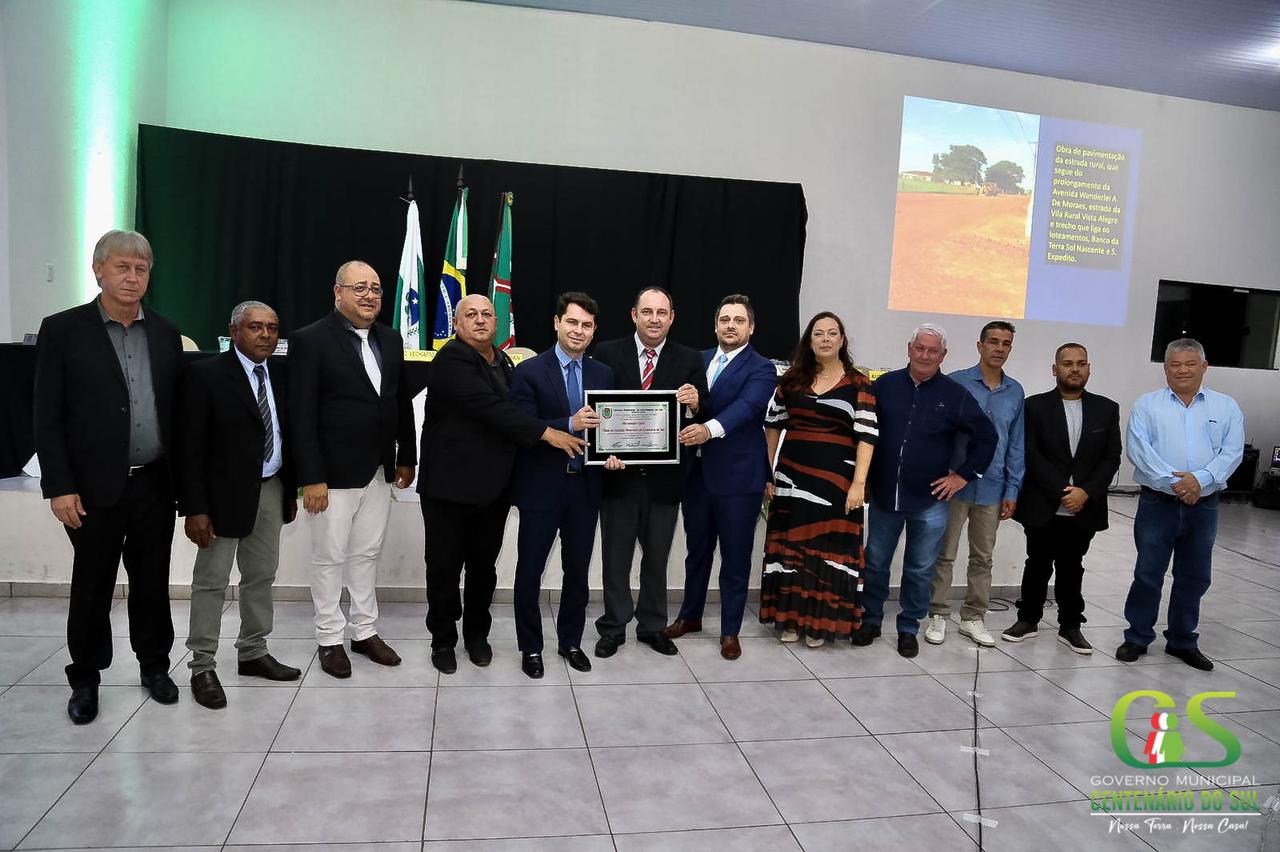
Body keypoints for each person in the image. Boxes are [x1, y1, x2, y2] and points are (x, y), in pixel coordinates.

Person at [34, 229, 183, 724]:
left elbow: (176, 412)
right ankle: (86, 680)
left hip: (154, 484)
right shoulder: (63, 330)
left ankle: (155, 666)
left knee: (151, 582)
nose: (132, 277)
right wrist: (58, 484)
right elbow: (47, 415)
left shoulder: (165, 333)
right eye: (122, 267)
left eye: (141, 269)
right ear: (98, 270)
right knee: (92, 585)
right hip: (91, 489)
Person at [418, 294, 584, 675]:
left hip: (491, 490)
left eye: (487, 314)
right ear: (457, 325)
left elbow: (517, 412)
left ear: (497, 323)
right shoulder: (452, 360)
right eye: (470, 315)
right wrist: (550, 432)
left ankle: (477, 636)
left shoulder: (503, 361)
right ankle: (443, 640)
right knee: (443, 568)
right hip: (449, 489)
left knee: (483, 568)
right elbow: (493, 410)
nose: (480, 320)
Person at [288, 260, 416, 678]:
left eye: (376, 289)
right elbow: (301, 414)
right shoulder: (310, 340)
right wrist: (310, 476)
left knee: (366, 553)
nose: (369, 296)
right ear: (338, 292)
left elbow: (398, 403)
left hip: (378, 471)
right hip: (330, 475)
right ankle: (329, 638)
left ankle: (364, 632)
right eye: (359, 287)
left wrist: (406, 456)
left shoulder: (390, 338)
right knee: (328, 557)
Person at [179, 301, 302, 709]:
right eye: (255, 327)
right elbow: (190, 448)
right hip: (219, 497)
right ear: (234, 332)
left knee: (261, 575)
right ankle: (202, 665)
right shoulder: (206, 375)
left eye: (272, 327)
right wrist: (195, 507)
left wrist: (290, 491)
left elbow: (289, 435)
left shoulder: (282, 375)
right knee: (212, 581)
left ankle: (252, 651)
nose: (266, 335)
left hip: (270, 487)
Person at [854, 324, 997, 658]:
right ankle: (871, 620)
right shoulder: (884, 386)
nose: (925, 355)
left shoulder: (955, 394)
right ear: (909, 348)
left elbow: (986, 437)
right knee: (875, 562)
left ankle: (908, 628)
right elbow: (863, 433)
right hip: (886, 495)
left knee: (919, 568)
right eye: (920, 348)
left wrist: (963, 476)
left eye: (933, 351)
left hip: (930, 501)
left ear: (943, 356)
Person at [591, 286, 705, 659]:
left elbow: (702, 413)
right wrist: (599, 450)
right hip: (617, 475)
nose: (654, 319)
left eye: (662, 313)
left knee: (657, 558)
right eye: (647, 312)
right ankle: (613, 626)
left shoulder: (689, 359)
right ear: (634, 315)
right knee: (616, 558)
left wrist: (694, 404)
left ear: (671, 317)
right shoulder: (607, 353)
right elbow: (594, 410)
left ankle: (653, 626)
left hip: (665, 481)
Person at [509, 292, 619, 679]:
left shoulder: (603, 374)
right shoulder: (528, 371)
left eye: (587, 325)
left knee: (578, 572)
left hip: (585, 490)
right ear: (557, 323)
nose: (579, 330)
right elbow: (522, 425)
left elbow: (610, 430)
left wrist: (614, 453)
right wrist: (568, 424)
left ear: (594, 331)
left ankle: (571, 641)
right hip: (542, 489)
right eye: (572, 322)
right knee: (529, 572)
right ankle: (531, 647)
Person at [1116, 338, 1244, 671]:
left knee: (1195, 576)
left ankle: (1182, 640)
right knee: (1148, 572)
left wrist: (1199, 481)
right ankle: (1137, 637)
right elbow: (1139, 450)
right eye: (1175, 364)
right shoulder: (1147, 405)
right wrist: (1180, 483)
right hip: (1158, 504)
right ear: (1166, 368)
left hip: (1204, 506)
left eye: (1190, 364)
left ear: (1204, 367)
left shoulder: (1226, 407)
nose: (1182, 370)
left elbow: (1232, 453)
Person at [666, 295, 778, 661]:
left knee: (735, 556)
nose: (731, 325)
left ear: (751, 328)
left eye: (738, 320)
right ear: (715, 326)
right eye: (725, 319)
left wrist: (707, 430)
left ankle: (730, 630)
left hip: (738, 479)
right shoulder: (694, 360)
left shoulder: (762, 368)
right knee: (696, 552)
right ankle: (690, 616)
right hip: (695, 475)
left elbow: (747, 409)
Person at [758, 312, 877, 647]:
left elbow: (868, 438)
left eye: (832, 333)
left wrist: (858, 484)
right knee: (792, 553)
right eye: (818, 333)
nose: (825, 339)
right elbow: (771, 428)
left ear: (842, 340)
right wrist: (766, 474)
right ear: (809, 341)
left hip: (838, 486)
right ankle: (790, 620)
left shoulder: (860, 384)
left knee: (829, 554)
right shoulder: (790, 381)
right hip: (791, 481)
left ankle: (820, 624)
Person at [1001, 342, 1120, 655]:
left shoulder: (1107, 409)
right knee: (1037, 563)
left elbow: (1111, 458)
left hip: (1084, 506)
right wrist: (1062, 491)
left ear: (1089, 368)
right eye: (1067, 363)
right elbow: (1029, 452)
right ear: (1055, 370)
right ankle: (1027, 619)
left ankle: (1070, 625)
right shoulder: (1035, 406)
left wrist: (1085, 492)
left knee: (1072, 565)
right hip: (1043, 503)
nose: (1074, 369)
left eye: (1081, 363)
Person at [924, 321, 1025, 648]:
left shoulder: (1015, 392)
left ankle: (973, 617)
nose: (999, 348)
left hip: (993, 487)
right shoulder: (956, 383)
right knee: (945, 553)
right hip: (955, 486)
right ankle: (938, 613)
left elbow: (1015, 444)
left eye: (1006, 344)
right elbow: (939, 437)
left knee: (983, 557)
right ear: (980, 345)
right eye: (993, 342)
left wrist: (1013, 488)